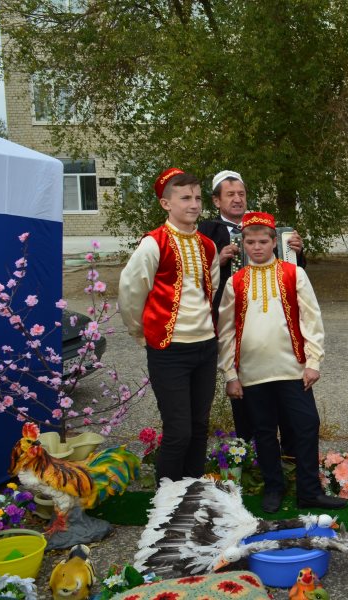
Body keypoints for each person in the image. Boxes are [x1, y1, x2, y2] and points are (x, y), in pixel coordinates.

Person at [216, 211, 345, 513]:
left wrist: (313, 361)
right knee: (263, 431)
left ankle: (309, 490)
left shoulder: (293, 273)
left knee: (306, 425)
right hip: (252, 373)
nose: (257, 247)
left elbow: (312, 319)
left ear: (275, 242)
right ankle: (274, 487)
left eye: (263, 241)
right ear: (243, 244)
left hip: (292, 369)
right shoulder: (236, 282)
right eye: (251, 242)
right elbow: (225, 331)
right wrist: (230, 374)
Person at [118, 168, 219, 483]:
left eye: (198, 197)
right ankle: (167, 499)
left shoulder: (207, 245)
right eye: (185, 197)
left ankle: (192, 490)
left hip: (205, 346)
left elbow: (209, 291)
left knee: (200, 426)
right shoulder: (153, 244)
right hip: (169, 350)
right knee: (179, 430)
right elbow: (131, 292)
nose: (194, 204)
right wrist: (143, 333)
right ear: (166, 204)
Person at [199, 170, 303, 448]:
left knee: (283, 393)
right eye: (230, 194)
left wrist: (296, 251)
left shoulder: (265, 228)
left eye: (241, 194)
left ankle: (289, 456)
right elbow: (193, 279)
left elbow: (292, 275)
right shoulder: (205, 232)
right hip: (235, 322)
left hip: (273, 321)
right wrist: (218, 261)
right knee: (246, 392)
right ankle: (252, 453)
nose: (237, 199)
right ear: (216, 201)